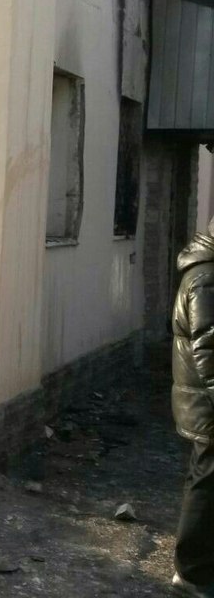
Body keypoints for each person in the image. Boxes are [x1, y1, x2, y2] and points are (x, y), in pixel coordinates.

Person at [172, 227, 214, 597]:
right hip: (206, 403)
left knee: (203, 478)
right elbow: (208, 348)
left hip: (203, 399)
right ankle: (191, 573)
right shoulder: (205, 278)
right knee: (205, 483)